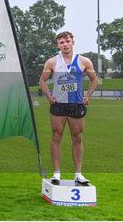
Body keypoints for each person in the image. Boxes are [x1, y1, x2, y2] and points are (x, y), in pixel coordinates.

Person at [39, 31, 97, 186]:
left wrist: (88, 95)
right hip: (58, 105)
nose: (64, 44)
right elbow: (42, 81)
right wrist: (48, 96)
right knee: (56, 136)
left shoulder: (84, 61)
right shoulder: (52, 62)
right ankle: (56, 173)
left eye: (67, 41)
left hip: (76, 104)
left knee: (77, 138)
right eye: (61, 42)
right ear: (58, 45)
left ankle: (78, 174)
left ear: (73, 42)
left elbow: (94, 79)